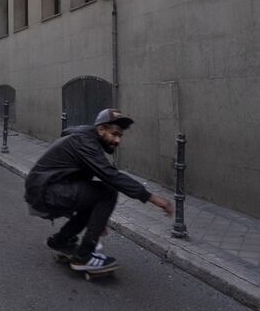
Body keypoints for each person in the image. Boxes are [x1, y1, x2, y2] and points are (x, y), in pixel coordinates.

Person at [25, 108, 173, 272]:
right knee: (108, 191)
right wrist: (151, 197)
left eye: (120, 136)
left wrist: (97, 217)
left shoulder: (84, 139)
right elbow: (110, 175)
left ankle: (61, 240)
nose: (117, 141)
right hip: (45, 192)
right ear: (101, 129)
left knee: (96, 197)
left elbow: (85, 184)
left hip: (46, 190)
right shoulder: (85, 142)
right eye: (114, 134)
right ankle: (84, 256)